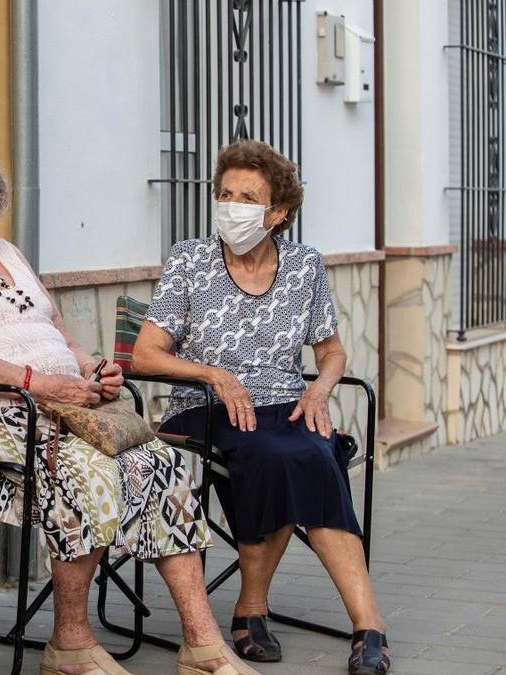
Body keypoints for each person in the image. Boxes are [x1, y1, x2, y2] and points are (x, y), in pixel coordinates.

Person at [0, 136, 258, 675]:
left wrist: (89, 368)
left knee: (160, 463)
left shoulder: (6, 253)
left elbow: (54, 331)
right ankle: (71, 643)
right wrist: (39, 384)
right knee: (84, 466)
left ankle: (202, 644)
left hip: (50, 407)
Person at [133, 139, 390, 675]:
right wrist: (212, 373)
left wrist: (319, 389)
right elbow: (145, 355)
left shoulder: (304, 266)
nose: (231, 206)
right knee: (280, 456)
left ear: (278, 213)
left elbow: (332, 351)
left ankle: (368, 625)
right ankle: (251, 608)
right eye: (225, 193)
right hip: (202, 405)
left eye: (248, 197)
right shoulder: (191, 261)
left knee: (318, 456)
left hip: (285, 403)